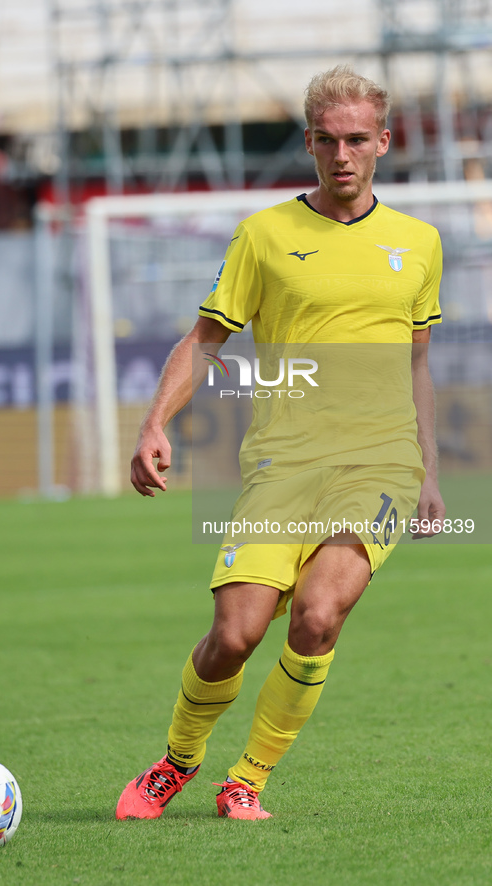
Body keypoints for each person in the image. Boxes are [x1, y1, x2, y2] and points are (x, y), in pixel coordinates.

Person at [116, 65, 445, 821]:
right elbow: (204, 342)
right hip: (282, 463)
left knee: (319, 614)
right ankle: (179, 760)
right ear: (307, 143)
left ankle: (248, 778)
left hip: (379, 464)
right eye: (327, 140)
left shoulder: (417, 243)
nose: (341, 154)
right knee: (233, 636)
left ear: (382, 143)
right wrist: (154, 422)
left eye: (356, 139)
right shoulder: (262, 236)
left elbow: (417, 360)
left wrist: (428, 471)